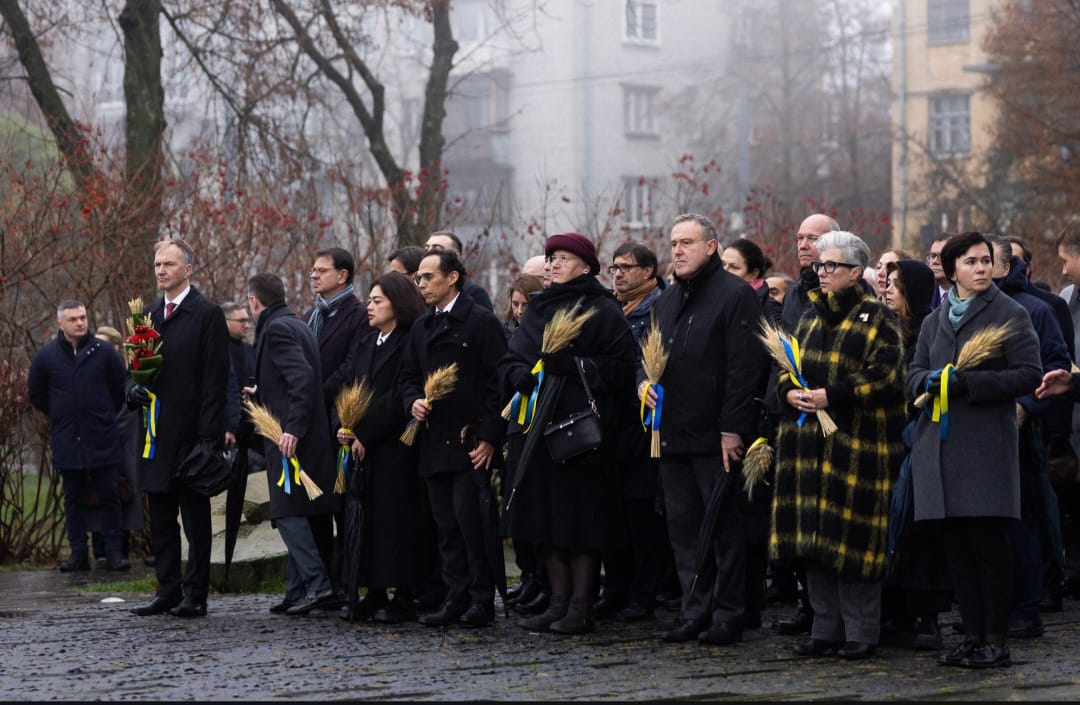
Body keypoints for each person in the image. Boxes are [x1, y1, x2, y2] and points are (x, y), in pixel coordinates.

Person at [907, 231, 1042, 669]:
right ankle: (970, 636)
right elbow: (912, 373)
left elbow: (1028, 374)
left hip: (985, 448)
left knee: (989, 547)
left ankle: (995, 639)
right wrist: (925, 382)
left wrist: (971, 384)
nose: (981, 268)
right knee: (958, 550)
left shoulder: (1010, 312)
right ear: (952, 271)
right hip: (941, 450)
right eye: (971, 262)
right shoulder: (934, 319)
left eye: (985, 260)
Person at [771, 231, 907, 660]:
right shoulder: (810, 317)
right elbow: (786, 367)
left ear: (854, 272)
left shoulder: (878, 318)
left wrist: (836, 394)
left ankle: (861, 632)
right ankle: (824, 628)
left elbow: (887, 378)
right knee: (815, 543)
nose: (821, 272)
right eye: (819, 266)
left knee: (854, 546)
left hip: (857, 448)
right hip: (807, 445)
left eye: (831, 266)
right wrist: (788, 393)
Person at [638, 213, 768, 646]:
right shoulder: (667, 300)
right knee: (684, 529)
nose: (677, 250)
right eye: (673, 242)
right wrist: (643, 384)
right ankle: (695, 610)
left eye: (687, 243)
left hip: (716, 438)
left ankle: (729, 613)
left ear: (711, 247)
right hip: (672, 434)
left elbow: (743, 369)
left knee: (723, 530)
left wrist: (733, 429)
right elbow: (645, 356)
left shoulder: (734, 297)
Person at [501, 232, 636, 635]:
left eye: (562, 257)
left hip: (582, 437)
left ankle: (581, 606)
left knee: (580, 526)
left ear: (585, 265)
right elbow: (512, 357)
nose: (553, 264)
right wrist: (517, 375)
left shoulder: (601, 309)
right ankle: (556, 601)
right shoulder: (540, 306)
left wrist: (574, 368)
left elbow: (621, 369)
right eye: (550, 257)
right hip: (536, 434)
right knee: (545, 525)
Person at [401, 250, 507, 627]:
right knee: (446, 527)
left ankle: (481, 599)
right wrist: (412, 401)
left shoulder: (480, 322)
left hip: (469, 443)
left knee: (471, 524)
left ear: (453, 278)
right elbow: (408, 376)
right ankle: (456, 595)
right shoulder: (422, 327)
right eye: (419, 279)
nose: (422, 285)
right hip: (433, 442)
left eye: (428, 277)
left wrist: (490, 436)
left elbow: (500, 381)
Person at [128, 238, 229, 617]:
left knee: (195, 521)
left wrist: (208, 438)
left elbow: (214, 381)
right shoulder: (148, 316)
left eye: (169, 264)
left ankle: (195, 593)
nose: (161, 270)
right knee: (163, 519)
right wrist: (131, 390)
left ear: (187, 269)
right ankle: (167, 589)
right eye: (157, 264)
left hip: (190, 438)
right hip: (155, 437)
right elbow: (132, 368)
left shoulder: (207, 314)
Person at [986, 234, 1070, 640]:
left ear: (1004, 267)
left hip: (1021, 434)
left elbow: (1055, 366)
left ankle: (1026, 606)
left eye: (987, 261)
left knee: (1023, 523)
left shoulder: (1036, 310)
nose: (979, 268)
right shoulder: (964, 312)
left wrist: (1024, 407)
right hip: (979, 436)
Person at [336, 273, 429, 623]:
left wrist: (366, 434)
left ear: (397, 304)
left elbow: (396, 397)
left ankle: (403, 593)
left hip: (394, 447)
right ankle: (372, 590)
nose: (370, 307)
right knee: (367, 520)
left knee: (396, 521)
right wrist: (344, 427)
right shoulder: (367, 342)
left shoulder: (408, 341)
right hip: (362, 447)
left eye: (378, 301)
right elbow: (349, 386)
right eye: (370, 301)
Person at [246, 273, 339, 615]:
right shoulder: (297, 323)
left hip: (291, 442)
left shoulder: (277, 329)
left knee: (287, 514)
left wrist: (293, 429)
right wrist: (262, 394)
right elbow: (292, 378)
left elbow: (301, 378)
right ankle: (297, 591)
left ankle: (319, 586)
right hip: (305, 438)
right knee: (300, 512)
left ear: (255, 302)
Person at [599, 241, 677, 622]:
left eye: (626, 267)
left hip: (648, 425)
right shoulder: (612, 309)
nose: (618, 273)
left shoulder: (660, 309)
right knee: (614, 512)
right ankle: (616, 586)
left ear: (648, 271)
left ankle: (645, 592)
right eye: (614, 266)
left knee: (643, 514)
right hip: (613, 424)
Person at [879, 260, 954, 651]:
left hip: (919, 442)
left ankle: (927, 617)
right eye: (887, 283)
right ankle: (894, 613)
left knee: (920, 533)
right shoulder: (882, 330)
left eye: (898, 285)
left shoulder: (930, 329)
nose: (889, 290)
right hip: (884, 445)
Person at [773, 212, 839, 635]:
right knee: (798, 522)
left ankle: (832, 612)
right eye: (798, 236)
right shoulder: (796, 293)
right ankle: (808, 605)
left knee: (827, 521)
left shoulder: (848, 292)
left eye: (812, 237)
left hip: (832, 417)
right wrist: (781, 394)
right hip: (792, 416)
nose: (802, 244)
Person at [28, 301, 129, 573]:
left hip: (102, 437)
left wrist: (101, 412)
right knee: (72, 499)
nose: (80, 323)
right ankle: (78, 554)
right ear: (61, 323)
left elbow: (120, 388)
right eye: (73, 319)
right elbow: (36, 393)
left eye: (83, 317)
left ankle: (114, 553)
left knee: (109, 496)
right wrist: (62, 414)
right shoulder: (47, 356)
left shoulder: (105, 352)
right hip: (67, 439)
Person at [304, 247, 367, 598]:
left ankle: (347, 582)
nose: (314, 275)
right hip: (312, 421)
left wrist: (316, 394)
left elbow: (351, 365)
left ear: (342, 276)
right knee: (315, 504)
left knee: (342, 508)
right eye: (313, 270)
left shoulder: (357, 314)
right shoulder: (312, 315)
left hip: (337, 418)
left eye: (321, 270)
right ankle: (322, 581)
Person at [86, 325, 143, 568]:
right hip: (97, 442)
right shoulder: (90, 370)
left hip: (123, 443)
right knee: (96, 495)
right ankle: (100, 549)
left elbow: (126, 409)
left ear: (117, 347)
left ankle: (120, 549)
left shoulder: (125, 373)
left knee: (124, 495)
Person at [423, 230, 494, 310]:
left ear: (457, 258)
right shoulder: (422, 292)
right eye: (426, 249)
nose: (429, 254)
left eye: (437, 250)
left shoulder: (474, 294)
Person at [722, 238, 783, 326]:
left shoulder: (770, 311)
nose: (725, 271)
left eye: (734, 267)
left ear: (753, 274)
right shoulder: (712, 297)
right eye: (722, 264)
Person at [926, 235, 953, 310]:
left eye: (941, 256)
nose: (934, 261)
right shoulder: (923, 296)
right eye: (933, 256)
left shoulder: (968, 295)